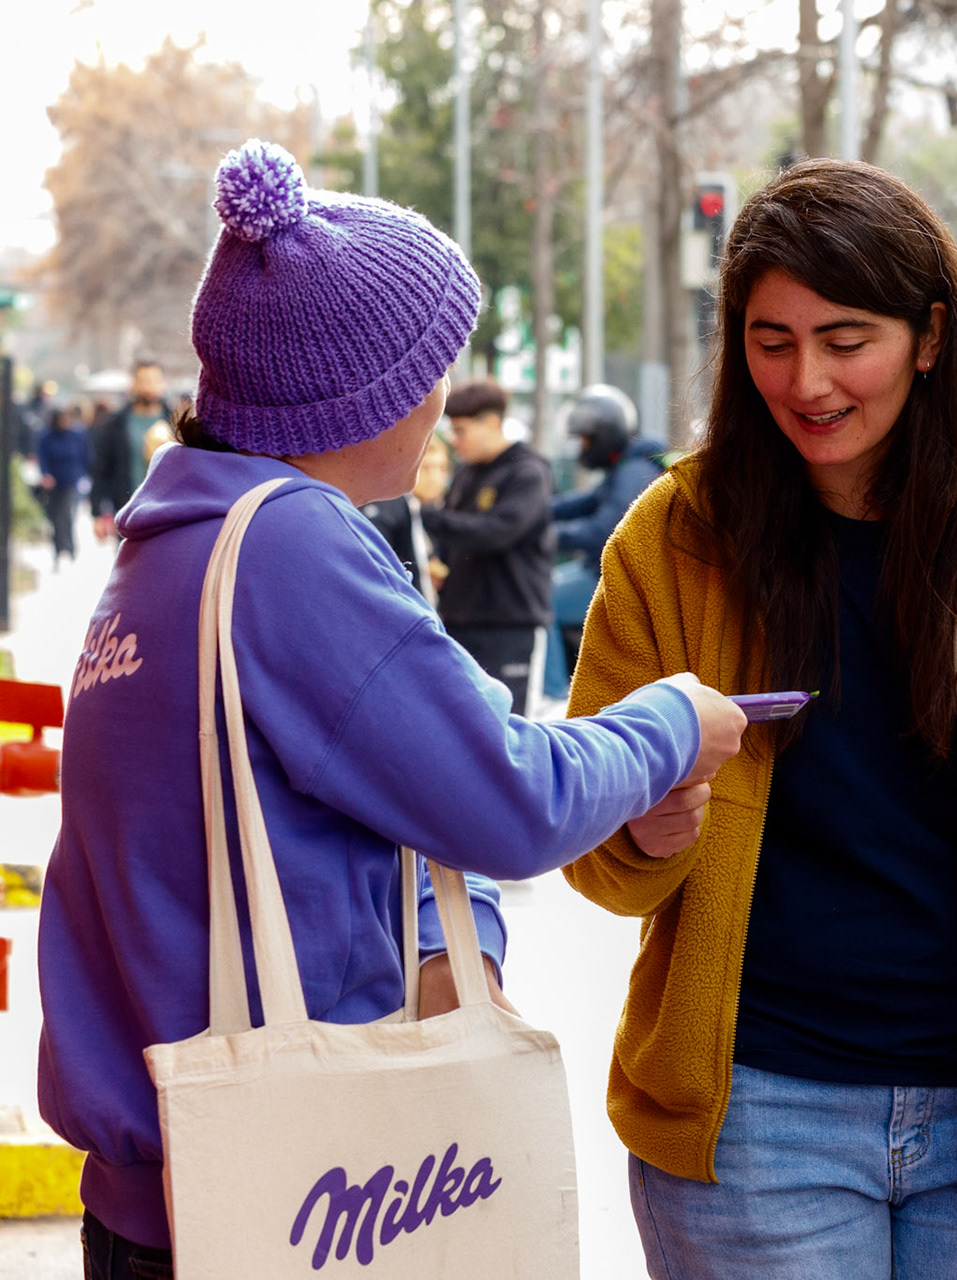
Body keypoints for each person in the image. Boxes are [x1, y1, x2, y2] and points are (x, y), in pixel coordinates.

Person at [37, 139, 746, 1280]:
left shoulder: (171, 548)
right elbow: (508, 796)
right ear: (360, 397)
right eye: (432, 367)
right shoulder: (290, 549)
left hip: (159, 1194)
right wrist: (672, 723)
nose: (438, 401)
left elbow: (365, 807)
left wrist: (442, 943)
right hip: (283, 1201)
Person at [563, 159, 957, 1279]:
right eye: (772, 341)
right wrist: (647, 829)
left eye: (845, 339)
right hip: (754, 1119)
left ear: (929, 336)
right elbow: (599, 852)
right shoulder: (674, 540)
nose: (807, 380)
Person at [421, 378, 553, 715]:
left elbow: (496, 532)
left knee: (510, 725)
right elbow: (453, 536)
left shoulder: (527, 472)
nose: (454, 440)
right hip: (460, 622)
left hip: (510, 626)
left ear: (491, 422)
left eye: (461, 430)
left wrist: (427, 516)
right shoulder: (467, 473)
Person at [551, 383, 666, 566]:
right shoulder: (625, 465)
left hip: (624, 574)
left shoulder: (635, 472)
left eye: (586, 439)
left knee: (557, 584)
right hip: (608, 568)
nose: (582, 446)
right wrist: (539, 510)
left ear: (604, 434)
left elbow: (604, 530)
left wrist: (547, 535)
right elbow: (587, 502)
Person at [359, 432, 451, 602]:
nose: (435, 477)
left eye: (442, 468)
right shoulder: (390, 506)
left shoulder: (427, 510)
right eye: (426, 468)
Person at [89, 359, 171, 542]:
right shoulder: (115, 425)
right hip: (128, 514)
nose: (148, 387)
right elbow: (102, 469)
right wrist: (98, 513)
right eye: (143, 381)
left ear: (163, 384)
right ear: (133, 385)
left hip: (168, 515)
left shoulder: (176, 423)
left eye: (154, 380)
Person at [36, 402, 90, 569]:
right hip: (53, 483)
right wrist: (46, 474)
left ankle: (68, 548)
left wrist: (82, 475)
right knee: (55, 516)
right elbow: (43, 457)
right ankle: (59, 548)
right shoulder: (47, 436)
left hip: (70, 480)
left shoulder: (76, 435)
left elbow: (84, 456)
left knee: (66, 514)